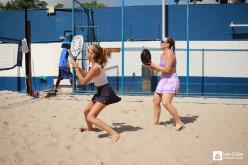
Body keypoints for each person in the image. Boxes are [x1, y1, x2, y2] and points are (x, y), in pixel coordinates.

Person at [69, 44, 121, 142]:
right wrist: (77, 67)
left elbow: (83, 81)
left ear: (92, 55)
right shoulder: (94, 66)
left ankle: (114, 134)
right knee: (86, 111)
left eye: (88, 50)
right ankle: (90, 129)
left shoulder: (95, 67)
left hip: (106, 92)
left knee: (90, 116)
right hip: (100, 91)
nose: (86, 51)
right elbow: (85, 74)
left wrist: (76, 68)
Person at [149, 37, 185, 131]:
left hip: (171, 80)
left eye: (162, 42)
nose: (160, 43)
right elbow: (161, 69)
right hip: (163, 79)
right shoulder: (162, 55)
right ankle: (156, 121)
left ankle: (179, 122)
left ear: (168, 44)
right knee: (156, 100)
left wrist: (156, 66)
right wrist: (152, 67)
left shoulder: (170, 54)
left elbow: (167, 70)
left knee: (166, 102)